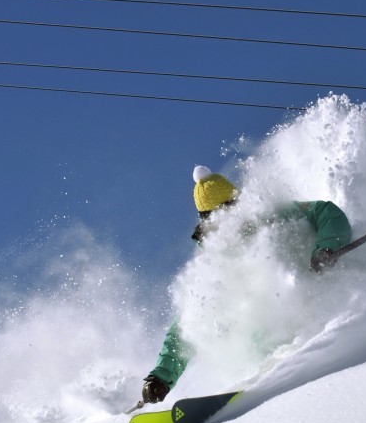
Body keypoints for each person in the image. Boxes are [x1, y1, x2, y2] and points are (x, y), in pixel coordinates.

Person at [139, 166, 352, 404]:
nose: (229, 221)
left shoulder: (274, 216)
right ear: (207, 222)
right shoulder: (212, 264)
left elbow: (324, 212)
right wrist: (161, 376)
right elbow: (187, 326)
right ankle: (262, 380)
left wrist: (327, 247)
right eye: (217, 218)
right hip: (268, 355)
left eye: (232, 210)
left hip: (316, 326)